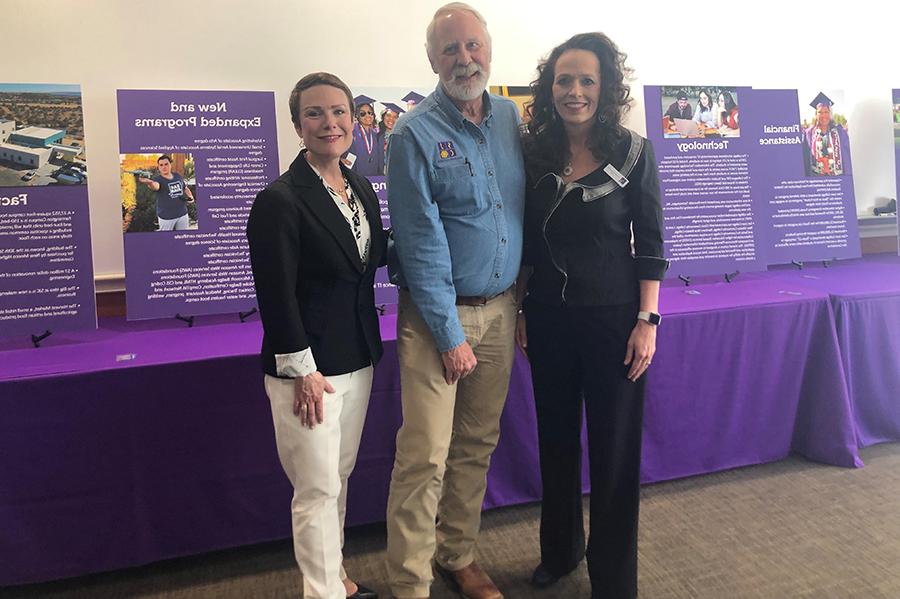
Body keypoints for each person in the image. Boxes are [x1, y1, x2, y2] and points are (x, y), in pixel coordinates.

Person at [517, 32, 667, 599]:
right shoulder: (532, 152)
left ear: (605, 89)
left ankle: (613, 577)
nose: (574, 91)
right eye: (563, 80)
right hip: (549, 320)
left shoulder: (633, 151)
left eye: (586, 80)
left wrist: (647, 320)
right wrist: (523, 308)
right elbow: (527, 239)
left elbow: (650, 239)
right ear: (548, 87)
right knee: (554, 441)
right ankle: (559, 552)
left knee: (613, 451)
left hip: (614, 321)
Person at [384, 3, 525, 599]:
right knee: (425, 458)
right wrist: (449, 335)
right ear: (431, 59)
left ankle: (457, 554)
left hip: (504, 308)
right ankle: (410, 584)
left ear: (488, 49)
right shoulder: (411, 134)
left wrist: (525, 305)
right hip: (437, 317)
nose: (464, 58)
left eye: (472, 45)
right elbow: (418, 243)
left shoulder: (511, 120)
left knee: (475, 445)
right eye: (450, 49)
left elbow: (525, 213)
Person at [246, 72, 386, 599]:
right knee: (316, 489)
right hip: (309, 372)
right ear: (297, 125)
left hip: (358, 356)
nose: (330, 123)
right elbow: (276, 296)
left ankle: (336, 580)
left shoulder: (361, 187)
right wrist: (302, 371)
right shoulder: (280, 201)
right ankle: (323, 592)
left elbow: (371, 257)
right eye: (315, 113)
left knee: (339, 478)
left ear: (354, 118)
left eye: (339, 112)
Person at [138, 154, 195, 231]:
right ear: (158, 167)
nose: (164, 167)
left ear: (170, 165)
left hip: (182, 214)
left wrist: (191, 197)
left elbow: (185, 188)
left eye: (166, 164)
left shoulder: (177, 176)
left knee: (182, 238)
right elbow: (155, 186)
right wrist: (149, 182)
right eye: (161, 165)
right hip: (166, 218)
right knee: (166, 240)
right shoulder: (157, 179)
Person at [802, 92, 851, 177]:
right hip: (816, 180)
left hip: (837, 181)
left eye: (826, 112)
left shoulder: (840, 132)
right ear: (816, 114)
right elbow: (805, 159)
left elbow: (847, 157)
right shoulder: (809, 134)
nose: (823, 115)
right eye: (820, 112)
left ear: (830, 113)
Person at [348, 97, 385, 177]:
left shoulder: (376, 135)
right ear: (357, 115)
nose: (368, 115)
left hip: (374, 177)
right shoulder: (351, 132)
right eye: (362, 113)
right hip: (356, 176)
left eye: (370, 113)